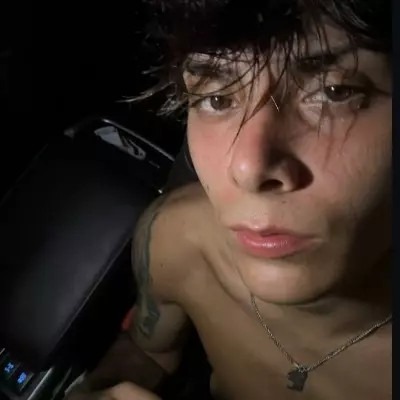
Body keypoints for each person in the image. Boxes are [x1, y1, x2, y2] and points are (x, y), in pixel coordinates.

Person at [66, 0, 392, 399]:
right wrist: (96, 390)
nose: (248, 168)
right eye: (217, 99)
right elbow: (149, 350)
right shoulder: (176, 240)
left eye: (334, 92)